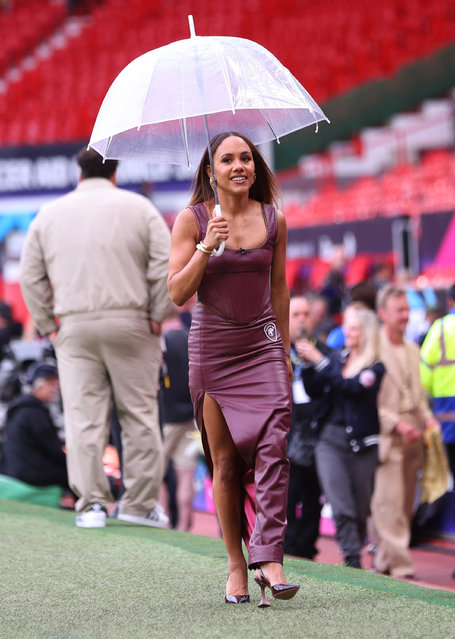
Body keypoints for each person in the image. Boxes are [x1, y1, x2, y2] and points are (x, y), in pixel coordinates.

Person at [167, 131, 299, 606]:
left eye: (246, 158)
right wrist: (206, 246)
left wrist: (284, 350)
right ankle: (236, 566)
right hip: (213, 350)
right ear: (211, 171)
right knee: (225, 464)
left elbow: (280, 289)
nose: (239, 165)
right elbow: (177, 294)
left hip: (262, 344)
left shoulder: (274, 218)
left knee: (274, 449)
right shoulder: (192, 219)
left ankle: (270, 556)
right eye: (228, 159)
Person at [19, 148, 171, 529]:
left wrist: (48, 324)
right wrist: (158, 314)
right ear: (115, 172)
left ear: (79, 173)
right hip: (132, 322)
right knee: (138, 415)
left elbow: (30, 275)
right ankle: (138, 504)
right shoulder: (140, 208)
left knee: (84, 420)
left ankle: (91, 506)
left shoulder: (49, 215)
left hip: (73, 327)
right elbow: (165, 266)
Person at [298, 305, 385, 569]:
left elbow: (352, 388)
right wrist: (308, 363)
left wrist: (320, 361)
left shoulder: (376, 367)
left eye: (354, 328)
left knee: (360, 508)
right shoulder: (337, 358)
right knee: (340, 503)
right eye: (347, 326)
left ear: (367, 332)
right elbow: (314, 389)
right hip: (329, 440)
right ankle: (352, 559)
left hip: (362, 444)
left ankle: (354, 549)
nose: (348, 332)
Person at [371, 285, 439, 578]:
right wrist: (395, 423)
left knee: (404, 505)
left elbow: (420, 395)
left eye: (407, 310)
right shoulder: (371, 350)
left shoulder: (413, 349)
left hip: (415, 437)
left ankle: (382, 562)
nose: (406, 316)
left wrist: (429, 419)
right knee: (389, 504)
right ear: (383, 314)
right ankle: (401, 567)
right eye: (400, 310)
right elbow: (368, 402)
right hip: (389, 437)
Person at [284, 295, 329, 560]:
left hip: (317, 438)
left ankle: (307, 549)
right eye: (296, 314)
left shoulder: (324, 353)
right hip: (287, 438)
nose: (302, 320)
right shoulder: (276, 354)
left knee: (313, 500)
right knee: (287, 500)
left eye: (305, 314)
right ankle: (288, 550)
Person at [159, 308, 199, 532]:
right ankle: (184, 526)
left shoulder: (161, 340)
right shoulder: (190, 337)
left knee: (157, 474)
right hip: (189, 416)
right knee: (186, 472)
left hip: (165, 418)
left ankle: (163, 521)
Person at [0, 362, 69, 491]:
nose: (54, 389)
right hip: (29, 473)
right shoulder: (33, 412)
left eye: (56, 384)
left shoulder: (21, 407)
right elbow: (51, 449)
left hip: (13, 470)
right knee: (73, 473)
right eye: (50, 384)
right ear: (36, 385)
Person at [420, 284, 455, 477]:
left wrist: (427, 396)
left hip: (446, 409)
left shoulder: (439, 328)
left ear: (450, 301)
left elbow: (425, 369)